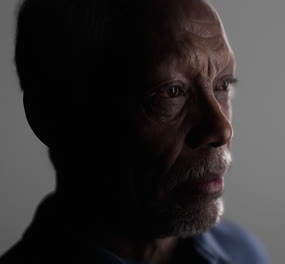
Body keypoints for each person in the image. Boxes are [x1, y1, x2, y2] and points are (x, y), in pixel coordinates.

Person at [0, 0, 269, 263]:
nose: (222, 130)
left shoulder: (242, 253)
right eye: (171, 92)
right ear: (51, 116)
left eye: (223, 84)